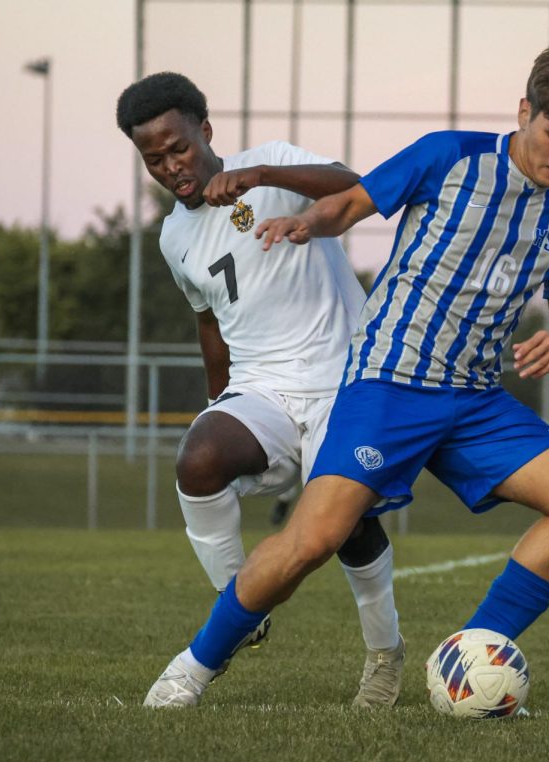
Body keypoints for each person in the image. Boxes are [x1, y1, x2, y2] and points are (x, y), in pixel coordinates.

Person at [142, 43, 549, 708]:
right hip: (388, 382)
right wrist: (307, 222)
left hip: (477, 399)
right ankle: (193, 667)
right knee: (314, 540)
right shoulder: (448, 156)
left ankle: (474, 651)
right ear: (524, 112)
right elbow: (349, 202)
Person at [115, 72, 404, 709]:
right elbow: (210, 323)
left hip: (344, 380)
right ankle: (241, 608)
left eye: (178, 148)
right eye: (153, 157)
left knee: (346, 524)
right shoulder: (173, 237)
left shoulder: (271, 164)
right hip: (262, 387)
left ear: (206, 131)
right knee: (199, 458)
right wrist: (216, 403)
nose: (170, 165)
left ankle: (385, 656)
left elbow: (359, 186)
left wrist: (264, 176)